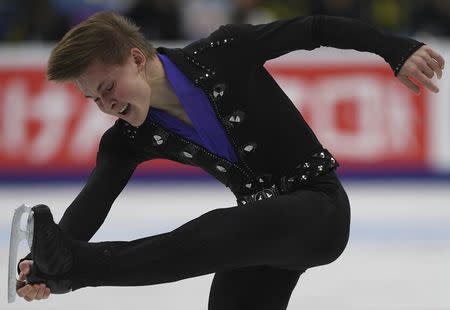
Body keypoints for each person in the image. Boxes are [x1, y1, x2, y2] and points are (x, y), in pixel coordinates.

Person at [15, 11, 444, 309]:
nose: (106, 105)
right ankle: (70, 269)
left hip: (319, 212)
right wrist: (43, 268)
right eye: (94, 99)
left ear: (137, 58)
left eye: (107, 88)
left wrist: (395, 49)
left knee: (208, 234)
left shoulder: (222, 51)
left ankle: (79, 270)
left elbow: (312, 29)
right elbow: (94, 200)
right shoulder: (128, 139)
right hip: (256, 235)